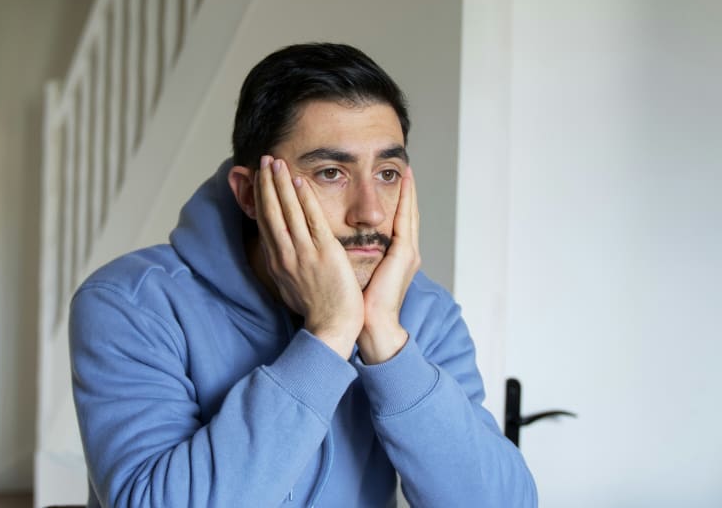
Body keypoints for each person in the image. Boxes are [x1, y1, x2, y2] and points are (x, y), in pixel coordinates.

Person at [70, 43, 537, 507]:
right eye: (331, 173)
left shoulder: (424, 313)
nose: (371, 212)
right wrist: (330, 334)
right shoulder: (131, 303)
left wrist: (386, 343)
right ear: (250, 194)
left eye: (388, 173)